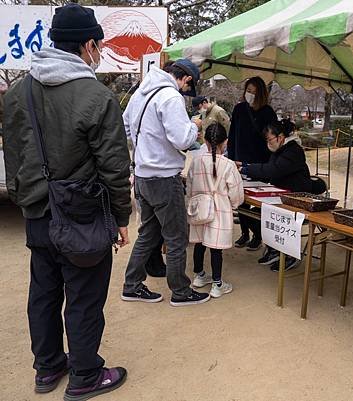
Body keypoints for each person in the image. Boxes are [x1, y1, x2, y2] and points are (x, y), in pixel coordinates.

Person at [3, 4, 130, 399]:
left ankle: (47, 369)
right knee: (84, 294)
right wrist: (122, 216)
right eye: (99, 46)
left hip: (38, 213)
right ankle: (85, 375)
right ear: (88, 44)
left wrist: (27, 201)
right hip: (83, 214)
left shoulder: (18, 91)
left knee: (43, 292)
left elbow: (14, 154)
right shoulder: (96, 95)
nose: (99, 53)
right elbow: (113, 166)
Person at [121, 59, 210, 307]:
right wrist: (193, 125)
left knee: (148, 234)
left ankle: (132, 285)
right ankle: (181, 291)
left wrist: (146, 147)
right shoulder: (170, 97)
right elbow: (182, 139)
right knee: (176, 236)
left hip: (142, 175)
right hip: (163, 178)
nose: (184, 90)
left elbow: (125, 127)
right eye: (186, 86)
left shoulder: (141, 91)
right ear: (186, 79)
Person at [240, 119, 326, 271]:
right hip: (280, 196)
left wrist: (246, 169)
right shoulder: (280, 150)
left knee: (268, 217)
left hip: (297, 198)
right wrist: (247, 168)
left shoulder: (293, 151)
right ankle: (274, 247)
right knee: (249, 215)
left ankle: (289, 255)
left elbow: (272, 170)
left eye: (269, 139)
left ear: (280, 137)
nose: (268, 143)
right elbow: (269, 171)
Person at [188, 123, 244, 297]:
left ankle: (199, 276)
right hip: (219, 210)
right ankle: (217, 285)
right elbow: (236, 193)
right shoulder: (228, 164)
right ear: (225, 142)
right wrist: (233, 205)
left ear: (204, 140)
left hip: (199, 209)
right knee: (215, 247)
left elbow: (189, 187)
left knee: (199, 242)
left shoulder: (196, 162)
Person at [228, 77, 278, 251]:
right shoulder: (239, 109)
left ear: (261, 94)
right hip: (239, 160)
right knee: (240, 200)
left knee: (256, 202)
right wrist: (231, 157)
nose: (250, 94)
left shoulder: (267, 112)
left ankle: (257, 234)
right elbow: (232, 133)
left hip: (259, 163)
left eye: (254, 92)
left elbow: (272, 138)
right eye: (248, 90)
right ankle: (244, 233)